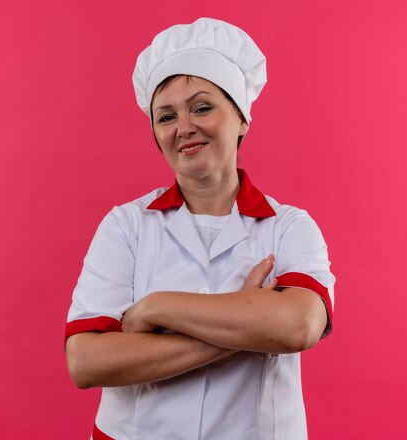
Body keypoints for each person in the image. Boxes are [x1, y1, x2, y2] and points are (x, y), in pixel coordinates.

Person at [65, 17, 335, 440]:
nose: (183, 127)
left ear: (242, 118)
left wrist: (156, 307)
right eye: (165, 116)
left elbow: (298, 326)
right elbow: (86, 361)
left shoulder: (289, 228)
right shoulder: (125, 226)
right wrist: (251, 327)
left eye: (202, 107)